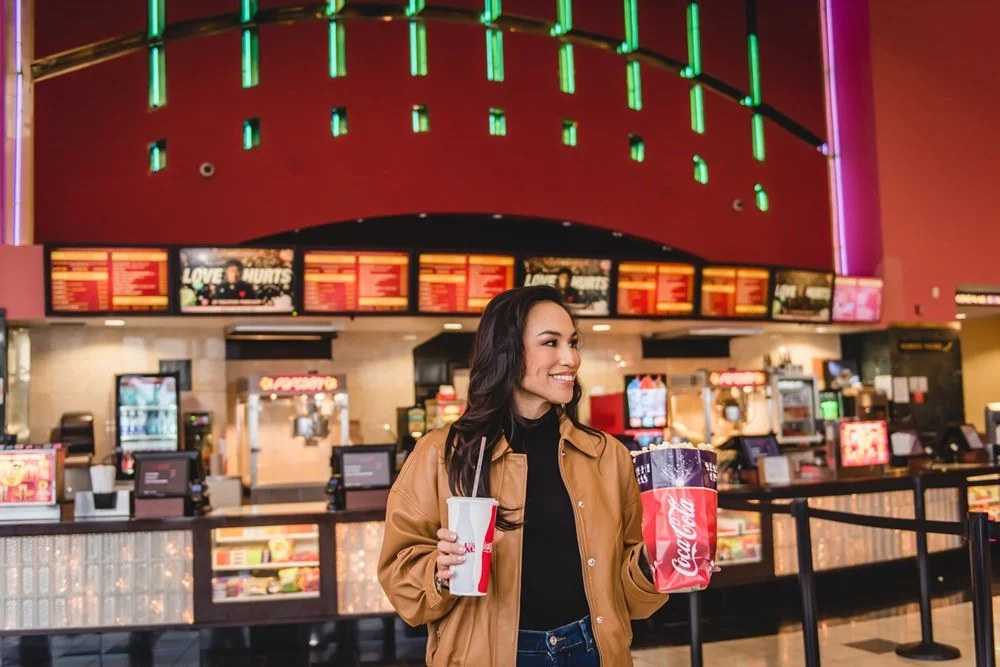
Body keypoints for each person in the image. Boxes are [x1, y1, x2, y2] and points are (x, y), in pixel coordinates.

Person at [378, 286, 668, 666]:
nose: (571, 358)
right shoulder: (442, 454)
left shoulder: (607, 456)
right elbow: (399, 571)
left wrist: (658, 559)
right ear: (507, 352)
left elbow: (631, 595)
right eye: (551, 342)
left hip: (592, 651)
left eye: (573, 342)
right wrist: (440, 571)